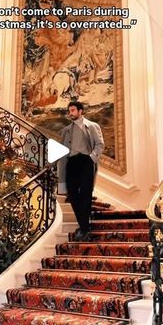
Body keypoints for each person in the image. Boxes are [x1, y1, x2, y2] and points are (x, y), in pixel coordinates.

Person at [58, 101, 104, 240]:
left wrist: (91, 158)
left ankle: (83, 228)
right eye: (69, 110)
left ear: (80, 111)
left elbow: (100, 144)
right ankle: (84, 226)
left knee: (85, 193)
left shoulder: (92, 126)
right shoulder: (66, 130)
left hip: (86, 162)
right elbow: (62, 150)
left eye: (72, 110)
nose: (70, 113)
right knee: (72, 194)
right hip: (71, 163)